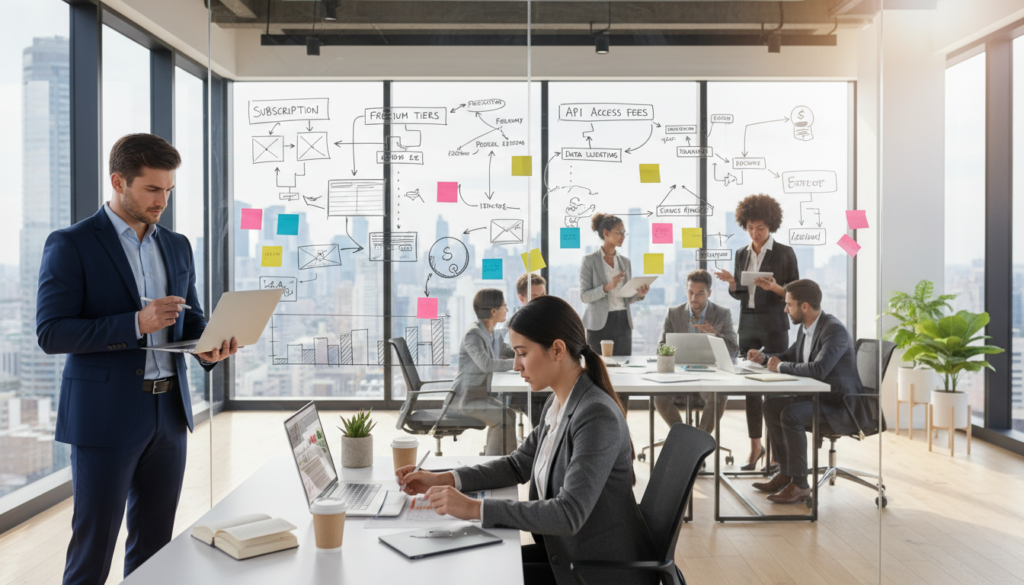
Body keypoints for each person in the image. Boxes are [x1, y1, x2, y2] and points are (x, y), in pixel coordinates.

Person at [36, 134, 238, 584]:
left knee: (155, 549)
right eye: (152, 189)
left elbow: (191, 322)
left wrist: (211, 346)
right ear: (118, 181)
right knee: (93, 548)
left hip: (168, 414)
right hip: (105, 418)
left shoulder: (178, 245)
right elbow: (51, 333)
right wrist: (135, 323)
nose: (162, 200)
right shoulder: (71, 244)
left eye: (168, 190)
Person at [396, 296, 655, 585]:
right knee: (471, 563)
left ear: (557, 349)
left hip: (597, 570)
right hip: (566, 554)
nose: (517, 365)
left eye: (522, 353)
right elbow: (518, 465)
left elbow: (568, 514)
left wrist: (474, 508)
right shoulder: (559, 403)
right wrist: (441, 479)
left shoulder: (595, 415)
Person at [746, 280, 867, 504]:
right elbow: (791, 354)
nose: (785, 309)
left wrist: (780, 366)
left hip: (839, 406)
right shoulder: (807, 328)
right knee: (771, 405)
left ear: (804, 307)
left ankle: (800, 485)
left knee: (791, 414)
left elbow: (819, 370)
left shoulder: (834, 331)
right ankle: (785, 472)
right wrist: (766, 358)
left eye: (789, 304)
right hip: (818, 398)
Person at [713, 194, 799, 471]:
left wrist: (773, 288)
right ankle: (755, 447)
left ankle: (776, 453)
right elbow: (741, 295)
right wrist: (731, 283)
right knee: (750, 389)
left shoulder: (785, 253)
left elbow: (794, 293)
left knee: (773, 388)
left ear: (770, 226)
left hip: (774, 325)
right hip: (748, 324)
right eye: (750, 227)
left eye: (760, 228)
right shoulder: (741, 254)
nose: (755, 233)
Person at [655, 269, 738, 433]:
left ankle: (699, 443)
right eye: (690, 292)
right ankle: (683, 437)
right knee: (659, 397)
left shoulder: (722, 314)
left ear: (709, 293)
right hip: (679, 375)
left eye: (700, 294)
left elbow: (734, 351)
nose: (694, 298)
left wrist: (715, 334)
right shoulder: (674, 314)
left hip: (710, 376)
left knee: (718, 397)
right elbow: (660, 348)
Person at [452, 289, 517, 455]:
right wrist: (517, 362)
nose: (507, 310)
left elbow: (508, 351)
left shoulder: (490, 333)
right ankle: (493, 465)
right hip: (466, 400)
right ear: (493, 311)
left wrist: (526, 353)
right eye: (504, 306)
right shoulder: (473, 334)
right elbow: (487, 365)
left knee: (509, 414)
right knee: (503, 419)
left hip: (480, 396)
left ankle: (507, 463)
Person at [580, 213, 649, 356]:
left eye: (624, 233)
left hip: (623, 321)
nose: (623, 236)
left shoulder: (625, 262)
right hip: (598, 324)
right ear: (606, 233)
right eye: (619, 232)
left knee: (624, 365)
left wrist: (639, 295)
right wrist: (607, 287)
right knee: (598, 368)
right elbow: (584, 296)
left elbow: (627, 298)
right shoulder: (589, 260)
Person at [514, 272, 549, 427]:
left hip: (549, 381)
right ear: (522, 299)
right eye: (535, 296)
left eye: (543, 294)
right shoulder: (516, 324)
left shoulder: (551, 319)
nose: (541, 300)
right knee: (542, 423)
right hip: (526, 386)